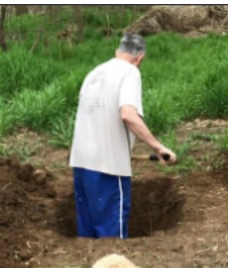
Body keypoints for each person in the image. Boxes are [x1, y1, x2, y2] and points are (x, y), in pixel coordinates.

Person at [69, 33, 176, 239]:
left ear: (118, 51)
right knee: (112, 241)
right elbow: (128, 114)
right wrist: (157, 147)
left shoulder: (95, 72)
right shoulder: (130, 73)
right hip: (108, 168)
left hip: (81, 164)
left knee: (87, 237)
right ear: (140, 58)